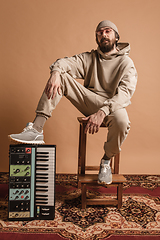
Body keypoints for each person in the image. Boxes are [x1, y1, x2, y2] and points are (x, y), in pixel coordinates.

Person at [9, 20, 137, 185]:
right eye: (99, 32)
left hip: (112, 106)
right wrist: (55, 72)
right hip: (89, 100)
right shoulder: (90, 58)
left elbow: (125, 94)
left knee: (123, 121)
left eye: (107, 31)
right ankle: (36, 129)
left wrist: (102, 112)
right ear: (96, 37)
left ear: (116, 36)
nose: (103, 35)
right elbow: (64, 62)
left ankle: (106, 161)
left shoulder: (126, 63)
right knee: (61, 75)